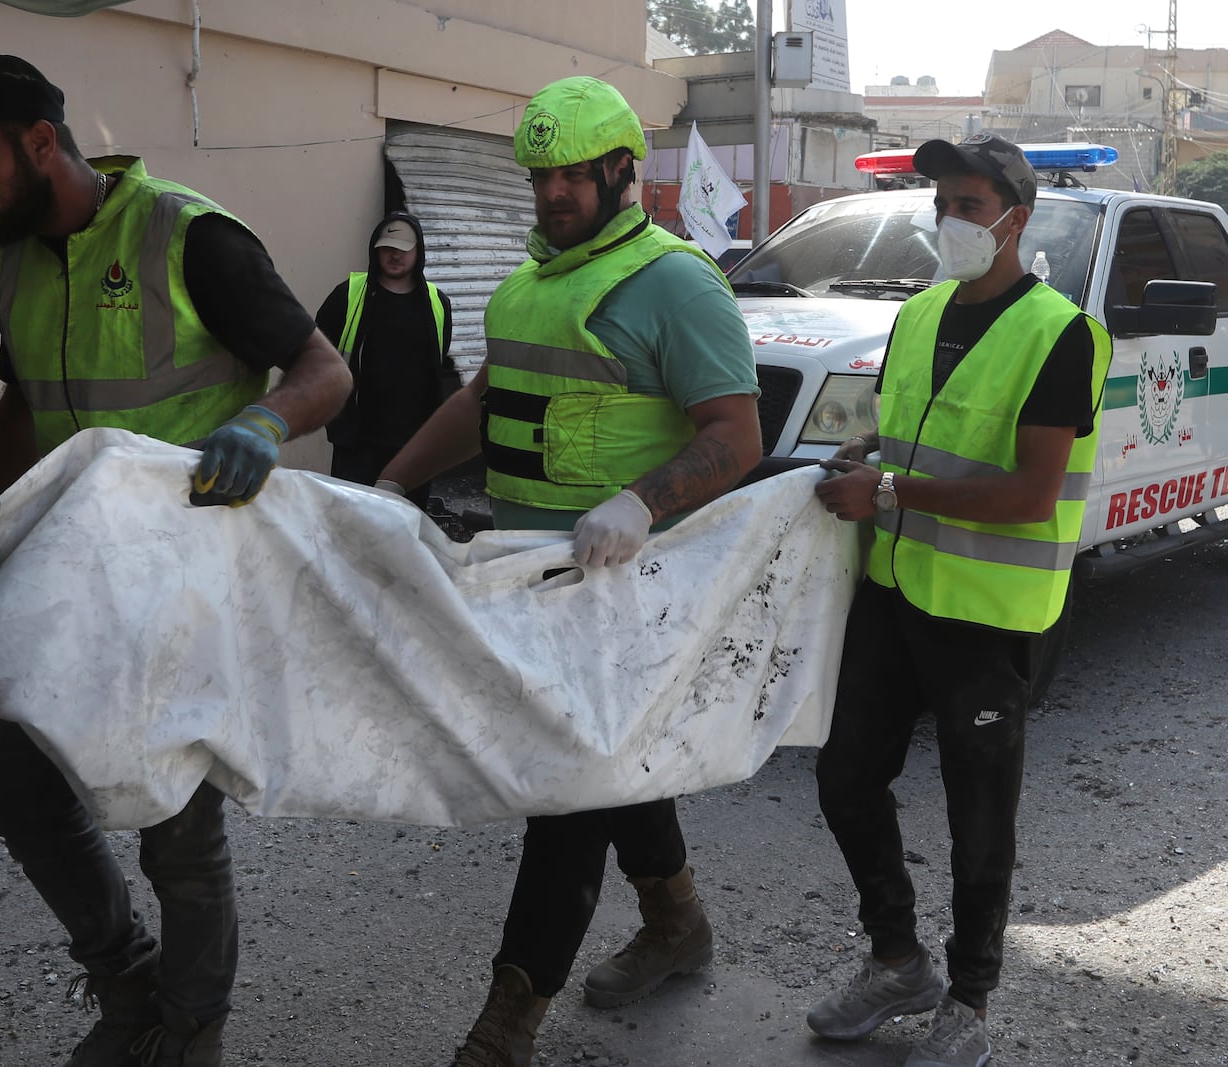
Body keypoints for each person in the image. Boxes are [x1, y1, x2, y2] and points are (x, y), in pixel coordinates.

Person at [0, 53, 351, 1067]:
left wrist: (266, 423)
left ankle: (189, 1033)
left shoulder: (189, 235)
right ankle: (130, 982)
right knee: (25, 795)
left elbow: (325, 369)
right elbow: (21, 404)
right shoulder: (18, 255)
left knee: (174, 826)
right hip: (79, 579)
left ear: (41, 142)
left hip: (187, 581)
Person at [377, 76, 762, 1067]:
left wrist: (639, 501)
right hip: (531, 583)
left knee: (568, 797)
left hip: (624, 594)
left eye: (569, 177)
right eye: (540, 176)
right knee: (611, 768)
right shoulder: (529, 281)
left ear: (620, 169)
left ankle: (505, 1024)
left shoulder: (676, 282)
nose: (551, 193)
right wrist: (391, 479)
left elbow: (738, 434)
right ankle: (677, 925)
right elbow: (483, 397)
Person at [811, 133, 1111, 1067]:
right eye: (940, 204)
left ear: (1016, 218)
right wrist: (866, 457)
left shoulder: (1060, 330)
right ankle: (898, 960)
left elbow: (1029, 491)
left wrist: (889, 493)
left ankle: (970, 1001)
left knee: (978, 820)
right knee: (844, 776)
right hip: (896, 591)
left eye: (969, 207)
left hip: (986, 614)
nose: (949, 222)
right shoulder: (919, 313)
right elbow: (899, 433)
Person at [316, 211, 457, 510]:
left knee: (405, 527)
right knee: (350, 523)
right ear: (376, 249)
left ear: (418, 252)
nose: (395, 255)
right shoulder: (348, 297)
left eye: (404, 249)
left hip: (414, 443)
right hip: (357, 442)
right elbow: (315, 355)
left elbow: (438, 361)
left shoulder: (437, 303)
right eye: (388, 247)